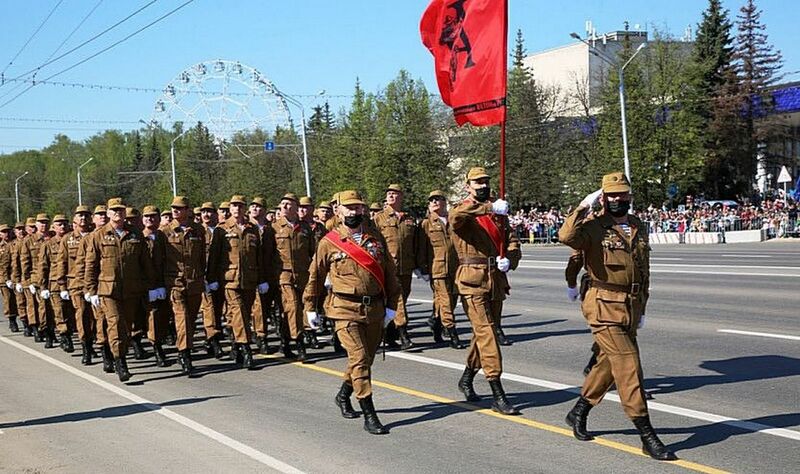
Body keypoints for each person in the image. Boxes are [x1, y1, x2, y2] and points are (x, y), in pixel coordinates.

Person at [558, 172, 675, 461]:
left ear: (629, 196)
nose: (617, 199)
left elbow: (643, 270)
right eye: (611, 194)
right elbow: (566, 237)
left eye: (622, 193)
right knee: (629, 364)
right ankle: (646, 433)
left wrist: (642, 307)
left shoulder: (637, 225)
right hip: (603, 305)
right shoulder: (592, 226)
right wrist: (583, 206)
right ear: (603, 197)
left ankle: (579, 410)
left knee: (608, 364)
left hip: (630, 305)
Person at [304, 190, 404, 435]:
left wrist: (393, 306)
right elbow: (315, 277)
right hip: (344, 308)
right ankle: (369, 413)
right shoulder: (329, 242)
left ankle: (343, 395)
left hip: (374, 308)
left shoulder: (375, 239)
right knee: (359, 358)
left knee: (365, 360)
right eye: (348, 207)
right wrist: (310, 307)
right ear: (338, 211)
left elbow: (390, 274)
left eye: (357, 207)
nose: (353, 211)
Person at [450, 167, 520, 415]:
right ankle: (497, 392)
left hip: (495, 279)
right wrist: (490, 208)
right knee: (488, 333)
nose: (482, 186)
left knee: (483, 334)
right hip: (472, 280)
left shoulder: (498, 211)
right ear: (467, 186)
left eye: (485, 182)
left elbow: (512, 238)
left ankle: (467, 377)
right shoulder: (464, 209)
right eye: (477, 182)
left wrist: (510, 257)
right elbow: (456, 218)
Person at [84, 198, 160, 382]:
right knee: (115, 323)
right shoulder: (99, 235)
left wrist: (152, 286)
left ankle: (117, 353)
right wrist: (91, 290)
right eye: (114, 210)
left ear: (125, 213)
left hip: (131, 289)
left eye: (120, 210)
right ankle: (121, 362)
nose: (117, 213)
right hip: (108, 290)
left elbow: (145, 262)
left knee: (126, 327)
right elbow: (91, 264)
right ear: (108, 213)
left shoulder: (135, 234)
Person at [218, 195, 269, 369]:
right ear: (230, 208)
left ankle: (235, 344)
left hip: (250, 279)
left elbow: (259, 256)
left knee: (243, 315)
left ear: (244, 208)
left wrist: (262, 279)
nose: (237, 209)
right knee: (238, 311)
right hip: (230, 280)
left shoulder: (252, 229)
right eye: (234, 206)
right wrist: (211, 279)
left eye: (240, 206)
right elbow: (215, 256)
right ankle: (247, 349)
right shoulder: (222, 229)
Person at [163, 196, 207, 375]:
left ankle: (183, 344)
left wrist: (204, 277)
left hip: (195, 282)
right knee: (182, 317)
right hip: (175, 282)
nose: (175, 210)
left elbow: (202, 256)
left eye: (179, 208)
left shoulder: (198, 230)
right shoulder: (165, 232)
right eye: (173, 207)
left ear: (188, 210)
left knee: (190, 318)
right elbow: (159, 259)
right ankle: (184, 354)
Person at [416, 190, 464, 349]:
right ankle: (452, 334)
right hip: (438, 268)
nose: (435, 202)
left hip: (456, 267)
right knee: (445, 301)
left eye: (438, 199)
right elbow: (422, 248)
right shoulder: (426, 223)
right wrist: (422, 268)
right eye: (432, 200)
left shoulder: (453, 220)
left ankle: (436, 324)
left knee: (451, 300)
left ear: (445, 201)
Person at [272, 193, 314, 361]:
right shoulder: (274, 228)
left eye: (288, 204)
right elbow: (268, 255)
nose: (284, 207)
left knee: (292, 310)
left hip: (302, 275)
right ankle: (299, 342)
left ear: (296, 208)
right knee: (293, 306)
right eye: (282, 203)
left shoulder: (305, 228)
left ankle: (285, 341)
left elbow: (313, 252)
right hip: (284, 275)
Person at [373, 184, 416, 350]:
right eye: (389, 193)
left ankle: (389, 334)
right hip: (389, 267)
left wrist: (419, 264)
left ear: (401, 196)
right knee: (398, 300)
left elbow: (416, 242)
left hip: (406, 267)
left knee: (401, 298)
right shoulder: (379, 218)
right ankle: (404, 334)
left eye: (394, 193)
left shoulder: (409, 218)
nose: (391, 196)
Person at [57, 206, 96, 364]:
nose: (83, 218)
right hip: (76, 283)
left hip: (94, 282)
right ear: (74, 219)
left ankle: (96, 342)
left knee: (96, 316)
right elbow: (62, 262)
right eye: (80, 215)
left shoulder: (96, 235)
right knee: (82, 314)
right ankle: (86, 347)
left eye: (86, 215)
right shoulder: (68, 239)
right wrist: (62, 285)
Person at [38, 214, 74, 351]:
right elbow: (43, 266)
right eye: (59, 224)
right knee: (60, 312)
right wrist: (43, 286)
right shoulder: (48, 244)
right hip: (55, 284)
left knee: (73, 312)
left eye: (64, 224)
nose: (62, 226)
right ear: (54, 227)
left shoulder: (74, 241)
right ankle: (65, 336)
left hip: (73, 281)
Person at [141, 205, 170, 367]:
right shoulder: (139, 238)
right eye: (146, 216)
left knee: (163, 316)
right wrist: (148, 286)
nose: (150, 219)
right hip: (147, 284)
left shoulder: (164, 236)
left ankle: (160, 341)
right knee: (152, 316)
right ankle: (157, 348)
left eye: (153, 216)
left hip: (164, 282)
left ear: (158, 219)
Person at [199, 202, 226, 359]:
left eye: (209, 212)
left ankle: (209, 340)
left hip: (220, 276)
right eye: (203, 212)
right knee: (208, 308)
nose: (206, 215)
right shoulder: (198, 231)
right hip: (204, 276)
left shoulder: (222, 231)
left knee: (217, 309)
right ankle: (214, 341)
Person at [0, 224, 19, 332]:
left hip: (16, 275)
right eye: (3, 232)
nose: (6, 234)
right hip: (3, 277)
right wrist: (5, 278)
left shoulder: (16, 243)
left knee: (19, 299)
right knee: (8, 300)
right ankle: (12, 320)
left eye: (7, 231)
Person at [10, 222, 28, 335]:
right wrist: (14, 280)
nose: (21, 231)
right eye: (18, 229)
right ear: (15, 231)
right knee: (21, 302)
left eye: (22, 229)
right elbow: (10, 263)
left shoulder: (29, 241)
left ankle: (34, 324)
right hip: (18, 277)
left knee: (30, 303)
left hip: (28, 277)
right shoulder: (11, 245)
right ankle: (25, 323)